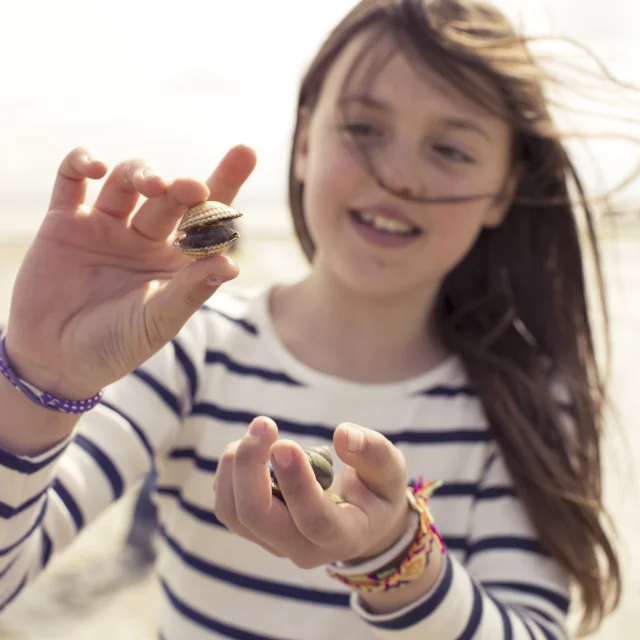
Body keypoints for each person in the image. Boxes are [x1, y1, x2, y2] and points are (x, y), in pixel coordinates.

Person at [0, 0, 627, 638]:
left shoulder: (528, 401)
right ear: (303, 142)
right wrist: (41, 376)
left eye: (451, 148)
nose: (400, 177)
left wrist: (397, 557)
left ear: (504, 188)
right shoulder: (191, 347)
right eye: (364, 128)